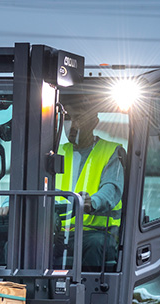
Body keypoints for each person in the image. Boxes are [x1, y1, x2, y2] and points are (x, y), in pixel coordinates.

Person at [55, 102, 125, 269]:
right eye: (68, 118)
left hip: (97, 232)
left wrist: (93, 202)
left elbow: (112, 189)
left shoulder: (111, 151)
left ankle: (87, 294)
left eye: (78, 118)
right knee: (22, 243)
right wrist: (8, 206)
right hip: (59, 231)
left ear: (94, 122)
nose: (72, 125)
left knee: (94, 245)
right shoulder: (56, 152)